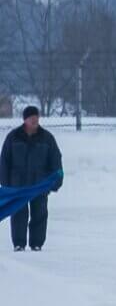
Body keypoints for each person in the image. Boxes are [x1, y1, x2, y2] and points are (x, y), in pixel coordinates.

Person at [2, 106, 64, 252]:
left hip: (39, 184)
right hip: (18, 185)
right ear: (25, 120)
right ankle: (19, 244)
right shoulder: (13, 137)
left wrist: (56, 180)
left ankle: (37, 244)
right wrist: (6, 184)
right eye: (31, 117)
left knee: (40, 213)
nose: (35, 120)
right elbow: (4, 160)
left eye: (36, 117)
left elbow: (56, 160)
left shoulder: (47, 138)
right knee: (18, 214)